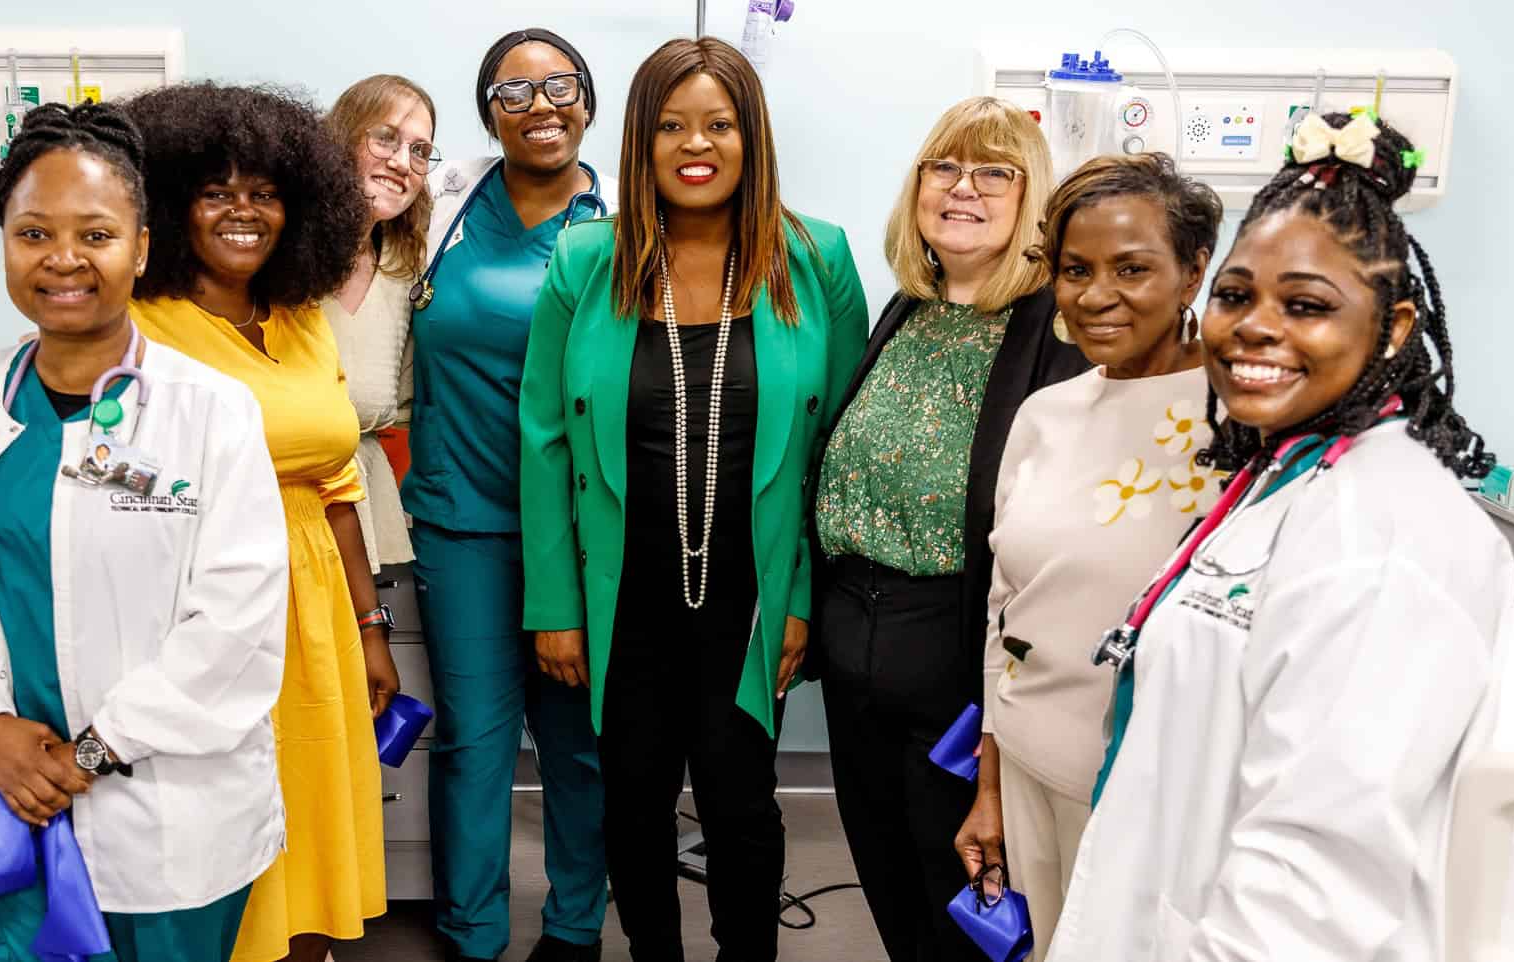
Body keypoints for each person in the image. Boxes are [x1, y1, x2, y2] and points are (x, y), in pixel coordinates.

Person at [1048, 113, 1513, 961]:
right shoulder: (1289, 472)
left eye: (1306, 305)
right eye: (1237, 295)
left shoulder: (1387, 535)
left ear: (1397, 328)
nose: (1256, 327)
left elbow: (1316, 889)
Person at [0, 102, 289, 962]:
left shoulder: (212, 412)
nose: (63, 259)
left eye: (96, 234)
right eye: (33, 233)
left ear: (142, 247)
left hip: (167, 817)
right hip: (2, 801)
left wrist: (94, 750)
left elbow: (235, 623)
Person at [518, 37, 868, 962]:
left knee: (743, 801)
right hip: (621, 593)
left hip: (753, 597)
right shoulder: (586, 260)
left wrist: (801, 600)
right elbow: (546, 440)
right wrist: (554, 608)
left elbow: (838, 451)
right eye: (670, 125)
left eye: (718, 123)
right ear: (641, 141)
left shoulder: (815, 257)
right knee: (629, 804)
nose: (694, 144)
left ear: (751, 136)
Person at [807, 96, 1084, 962]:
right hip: (855, 650)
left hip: (956, 661)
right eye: (946, 167)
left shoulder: (1056, 335)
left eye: (995, 172)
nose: (964, 188)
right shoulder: (906, 312)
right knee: (888, 880)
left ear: (1030, 198)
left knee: (965, 897)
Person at [123, 83, 396, 962]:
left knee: (310, 814)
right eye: (215, 191)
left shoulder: (304, 320)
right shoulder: (135, 327)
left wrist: (370, 624)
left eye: (265, 191)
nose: (243, 210)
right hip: (194, 602)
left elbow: (339, 482)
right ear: (167, 206)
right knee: (206, 831)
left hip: (314, 609)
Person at [949, 153, 1224, 957]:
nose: (1097, 295)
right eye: (1076, 270)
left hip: (1156, 801)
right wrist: (989, 791)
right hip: (1033, 768)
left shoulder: (1243, 425)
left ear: (1193, 271)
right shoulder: (1046, 414)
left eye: (1132, 268)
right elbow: (1007, 614)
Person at [400, 29, 616, 962]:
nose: (543, 106)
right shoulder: (437, 210)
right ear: (489, 110)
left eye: (561, 86)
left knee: (576, 745)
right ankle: (472, 932)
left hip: (574, 533)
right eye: (516, 92)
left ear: (589, 101)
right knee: (475, 742)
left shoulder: (620, 229)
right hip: (460, 524)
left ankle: (573, 927)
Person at [322, 74, 439, 575]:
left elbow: (405, 410)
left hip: (366, 504)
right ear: (342, 138)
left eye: (419, 150)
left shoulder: (403, 268)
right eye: (385, 138)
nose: (401, 162)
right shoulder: (280, 256)